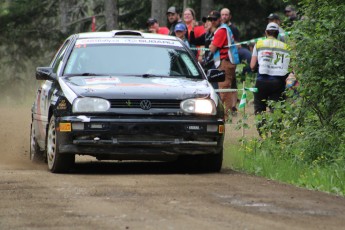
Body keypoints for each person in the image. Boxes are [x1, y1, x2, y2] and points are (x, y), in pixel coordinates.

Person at [250, 22, 291, 135]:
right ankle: (276, 136)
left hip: (261, 81)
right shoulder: (286, 46)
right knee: (276, 110)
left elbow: (252, 65)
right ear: (278, 34)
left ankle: (262, 135)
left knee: (259, 109)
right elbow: (290, 66)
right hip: (278, 82)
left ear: (266, 32)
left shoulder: (259, 44)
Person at [208, 10, 240, 121]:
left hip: (225, 62)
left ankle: (224, 116)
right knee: (226, 88)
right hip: (226, 62)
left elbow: (212, 48)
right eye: (210, 19)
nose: (212, 21)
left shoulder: (221, 30)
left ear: (219, 19)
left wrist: (211, 44)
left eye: (214, 19)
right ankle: (228, 112)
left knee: (223, 89)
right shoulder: (223, 28)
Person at [220, 7, 241, 114]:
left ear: (230, 16)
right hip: (221, 59)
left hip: (231, 59)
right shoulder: (220, 28)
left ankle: (233, 107)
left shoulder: (233, 28)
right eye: (222, 14)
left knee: (232, 82)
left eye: (226, 15)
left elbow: (238, 45)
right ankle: (225, 106)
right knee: (225, 83)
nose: (224, 16)